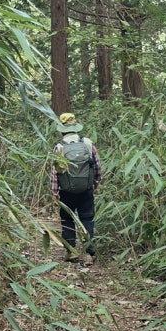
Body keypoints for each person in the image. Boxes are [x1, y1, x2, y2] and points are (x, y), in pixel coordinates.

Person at [50, 112, 101, 263]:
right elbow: (97, 166)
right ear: (76, 127)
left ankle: (71, 252)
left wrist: (54, 192)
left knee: (67, 219)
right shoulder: (88, 143)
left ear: (62, 129)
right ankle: (89, 254)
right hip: (86, 189)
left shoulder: (59, 147)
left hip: (66, 191)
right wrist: (96, 182)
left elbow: (54, 172)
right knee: (87, 218)